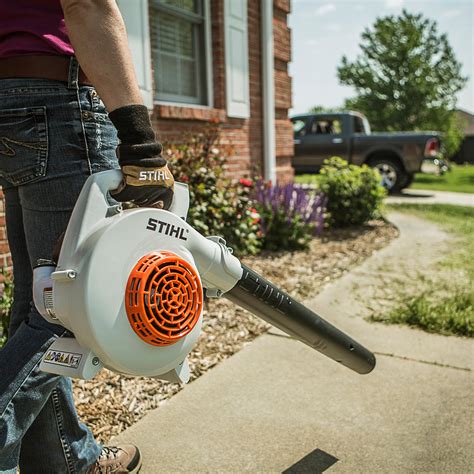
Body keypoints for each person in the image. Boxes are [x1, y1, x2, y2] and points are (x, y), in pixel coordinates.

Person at [0, 0, 174, 471]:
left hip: (10, 102)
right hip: (56, 102)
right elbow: (87, 4)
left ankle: (66, 458)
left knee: (40, 301)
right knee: (68, 306)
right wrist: (141, 142)